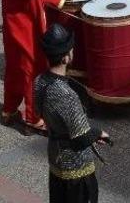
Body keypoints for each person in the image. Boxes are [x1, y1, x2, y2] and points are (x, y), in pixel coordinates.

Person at [0, 0, 66, 134]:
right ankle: (32, 118)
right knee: (31, 71)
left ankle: (9, 110)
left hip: (15, 27)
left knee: (15, 70)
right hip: (25, 28)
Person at [34, 23, 110, 202]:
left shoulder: (39, 81)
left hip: (55, 157)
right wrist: (99, 133)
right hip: (75, 167)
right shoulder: (67, 94)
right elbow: (80, 138)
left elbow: (40, 111)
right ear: (66, 57)